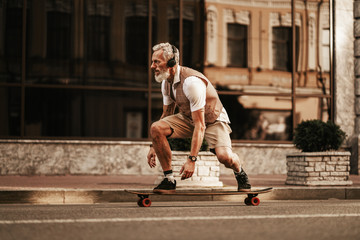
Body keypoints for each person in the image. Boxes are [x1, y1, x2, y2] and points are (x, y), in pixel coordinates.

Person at [147, 42, 251, 193]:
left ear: (171, 63)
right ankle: (169, 180)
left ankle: (240, 172)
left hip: (213, 120)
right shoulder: (166, 83)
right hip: (188, 118)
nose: (152, 66)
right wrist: (153, 145)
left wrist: (192, 160)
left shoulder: (191, 82)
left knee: (225, 157)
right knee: (156, 127)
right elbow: (167, 114)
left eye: (157, 62)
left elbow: (200, 125)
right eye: (152, 62)